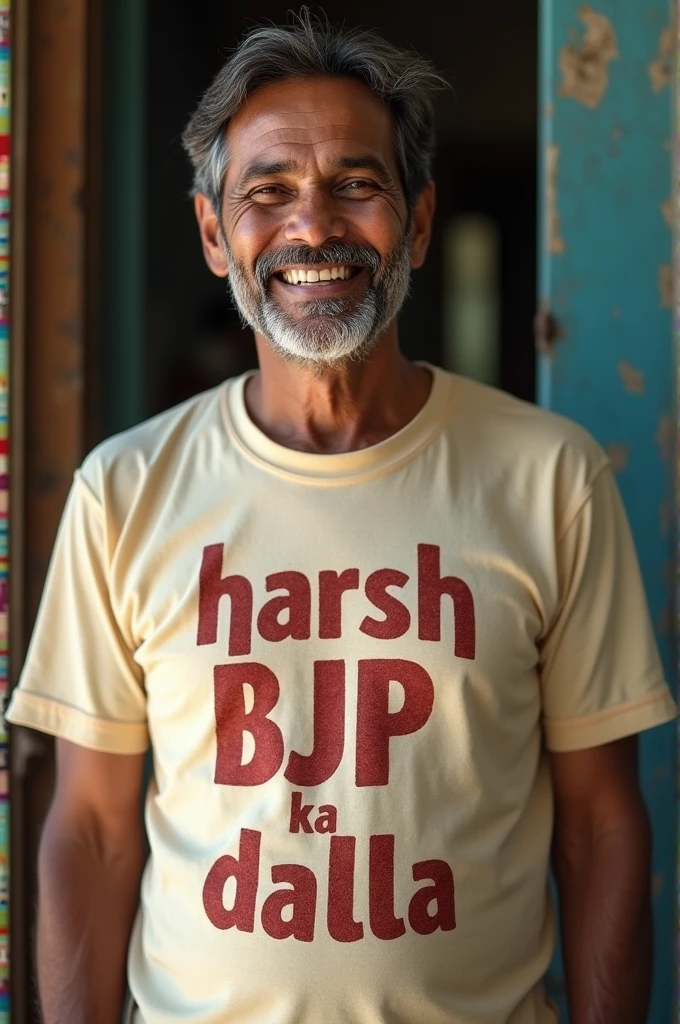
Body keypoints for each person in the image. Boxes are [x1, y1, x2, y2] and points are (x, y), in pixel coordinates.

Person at [6, 12, 676, 1024]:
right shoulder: (125, 490)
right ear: (210, 234)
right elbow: (91, 831)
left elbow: (597, 825)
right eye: (265, 193)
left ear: (413, 221)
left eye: (354, 186)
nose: (311, 227)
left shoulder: (548, 479)